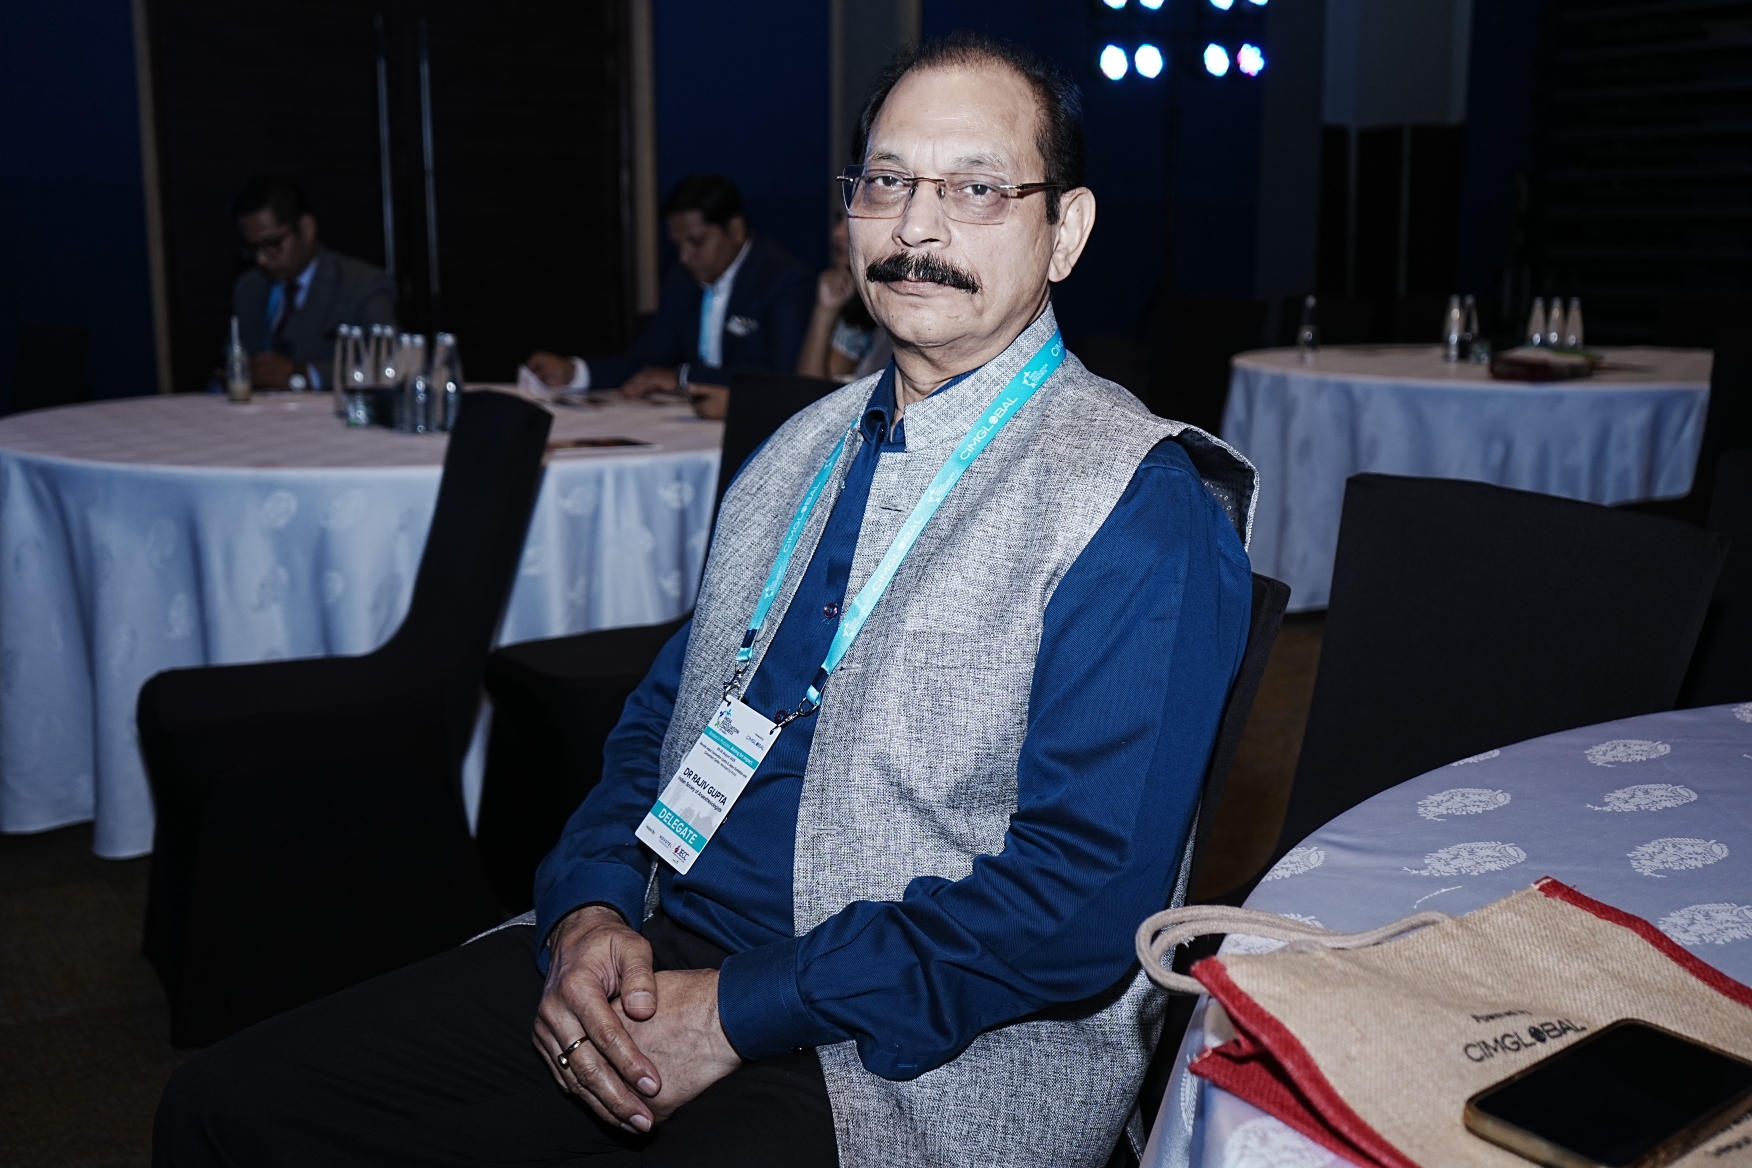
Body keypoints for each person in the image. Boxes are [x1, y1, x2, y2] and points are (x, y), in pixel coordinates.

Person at [155, 31, 1257, 1168]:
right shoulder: (800, 451)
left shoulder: (1136, 504)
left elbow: (1073, 906)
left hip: (918, 1047)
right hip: (662, 940)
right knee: (226, 1109)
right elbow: (663, 721)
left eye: (976, 189)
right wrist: (590, 907)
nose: (917, 229)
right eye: (887, 182)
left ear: (1064, 230)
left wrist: (735, 1009)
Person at [524, 175, 812, 420]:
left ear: (735, 231)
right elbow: (646, 359)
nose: (685, 256)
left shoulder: (782, 280)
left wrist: (683, 378)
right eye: (677, 245)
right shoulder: (681, 279)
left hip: (757, 427)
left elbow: (782, 378)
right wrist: (575, 372)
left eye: (696, 241)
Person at [231, 173, 396, 390]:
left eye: (272, 244)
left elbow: (389, 363)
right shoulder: (249, 288)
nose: (261, 259)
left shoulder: (362, 284)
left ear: (307, 229)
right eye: (253, 248)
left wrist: (305, 375)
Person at [795, 212, 891, 382]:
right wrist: (825, 311)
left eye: (853, 220)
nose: (837, 233)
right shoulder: (855, 300)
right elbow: (810, 389)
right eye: (839, 219)